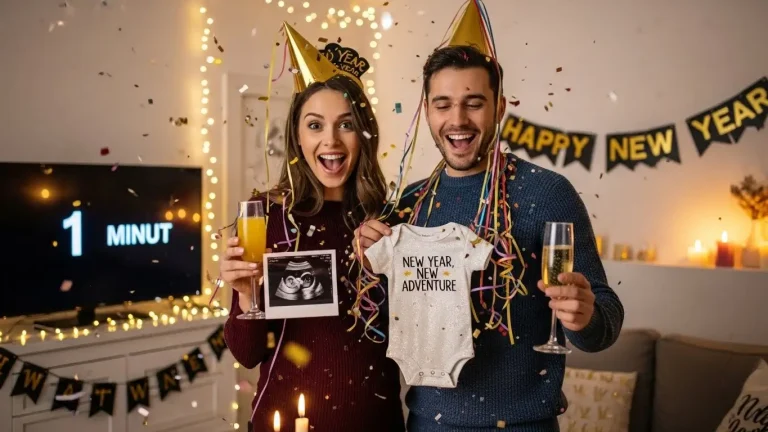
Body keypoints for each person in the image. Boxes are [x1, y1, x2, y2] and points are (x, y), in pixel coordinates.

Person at [354, 44, 624, 431]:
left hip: (524, 425)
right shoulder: (408, 205)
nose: (457, 119)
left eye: (474, 103)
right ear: (426, 111)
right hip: (427, 424)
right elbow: (384, 324)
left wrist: (585, 316)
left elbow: (606, 321)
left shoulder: (547, 194)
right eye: (443, 104)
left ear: (499, 108)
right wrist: (368, 270)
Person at [222, 25, 405, 432]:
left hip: (377, 423)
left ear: (364, 133)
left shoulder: (393, 220)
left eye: (346, 124)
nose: (331, 141)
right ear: (297, 137)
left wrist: (388, 267)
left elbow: (418, 337)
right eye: (315, 125)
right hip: (284, 423)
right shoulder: (266, 219)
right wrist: (246, 294)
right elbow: (249, 355)